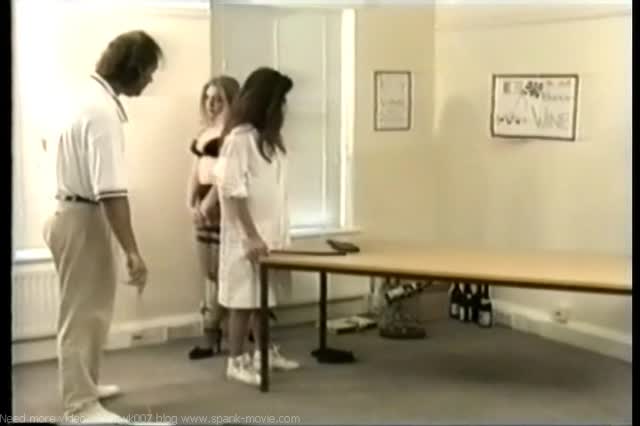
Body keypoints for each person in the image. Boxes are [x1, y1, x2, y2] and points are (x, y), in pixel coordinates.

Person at [42, 30, 162, 423]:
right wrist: (132, 251)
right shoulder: (102, 113)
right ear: (135, 68)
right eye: (150, 71)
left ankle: (86, 386)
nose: (151, 80)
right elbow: (110, 191)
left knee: (91, 311)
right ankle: (80, 406)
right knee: (82, 313)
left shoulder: (83, 99)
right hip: (81, 217)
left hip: (69, 212)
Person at [214, 67, 300, 386]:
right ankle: (236, 360)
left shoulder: (269, 141)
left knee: (264, 300)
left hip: (270, 233)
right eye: (281, 102)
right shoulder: (238, 140)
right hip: (246, 236)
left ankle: (264, 352)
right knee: (242, 301)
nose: (284, 109)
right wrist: (249, 236)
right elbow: (231, 192)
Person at [186, 76, 240, 360]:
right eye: (208, 98)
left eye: (219, 99)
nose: (212, 104)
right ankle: (213, 330)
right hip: (203, 204)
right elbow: (195, 172)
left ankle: (218, 332)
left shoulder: (233, 136)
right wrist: (191, 203)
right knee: (208, 272)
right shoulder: (205, 133)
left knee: (222, 273)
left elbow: (224, 177)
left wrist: (208, 204)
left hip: (221, 206)